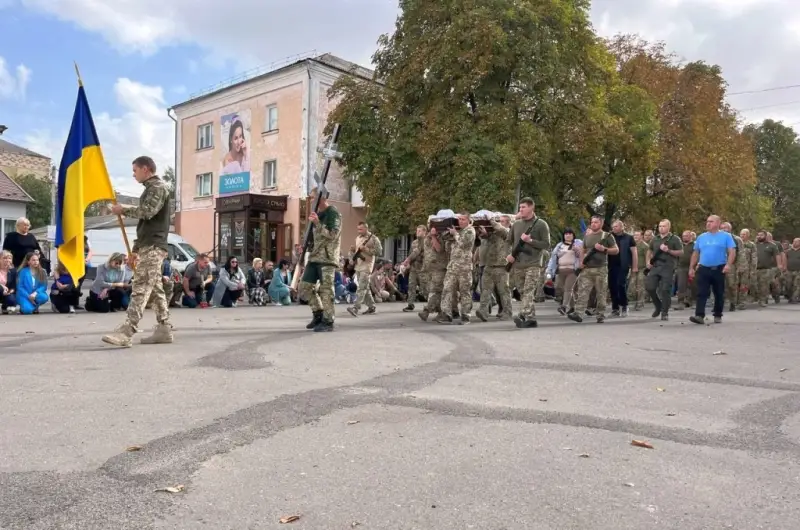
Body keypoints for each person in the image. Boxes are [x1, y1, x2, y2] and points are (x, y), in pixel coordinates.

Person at [101, 156, 173, 347]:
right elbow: (145, 225)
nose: (133, 175)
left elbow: (147, 212)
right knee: (155, 288)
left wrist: (121, 209)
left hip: (154, 246)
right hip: (147, 245)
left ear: (146, 169)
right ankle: (164, 328)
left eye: (135, 170)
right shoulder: (150, 189)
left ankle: (128, 331)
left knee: (140, 287)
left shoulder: (158, 187)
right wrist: (135, 251)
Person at [298, 187, 341, 332]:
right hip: (315, 256)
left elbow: (333, 234)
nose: (310, 200)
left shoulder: (332, 213)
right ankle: (318, 314)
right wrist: (304, 247)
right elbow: (313, 237)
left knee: (327, 290)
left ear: (322, 198)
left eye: (313, 197)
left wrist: (318, 223)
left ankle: (328, 321)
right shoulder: (317, 214)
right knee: (304, 287)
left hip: (327, 258)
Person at [507, 197, 551, 328]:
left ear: (532, 208)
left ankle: (522, 314)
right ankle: (531, 319)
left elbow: (546, 244)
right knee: (522, 291)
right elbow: (508, 242)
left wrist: (530, 241)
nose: (521, 210)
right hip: (518, 264)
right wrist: (508, 255)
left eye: (523, 207)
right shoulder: (516, 224)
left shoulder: (541, 224)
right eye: (520, 207)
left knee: (528, 290)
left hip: (534, 263)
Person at [688, 215, 735, 324]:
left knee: (719, 292)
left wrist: (728, 265)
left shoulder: (726, 236)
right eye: (707, 221)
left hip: (719, 268)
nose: (708, 223)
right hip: (704, 268)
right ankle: (699, 315)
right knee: (701, 292)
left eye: (711, 221)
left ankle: (718, 314)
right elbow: (696, 253)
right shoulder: (701, 237)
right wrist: (691, 267)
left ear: (718, 223)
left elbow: (732, 251)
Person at [645, 219, 683, 320]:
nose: (661, 228)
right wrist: (648, 262)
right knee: (650, 287)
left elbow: (680, 252)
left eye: (664, 226)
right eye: (660, 226)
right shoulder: (655, 238)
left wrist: (669, 250)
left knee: (665, 290)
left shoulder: (675, 239)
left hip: (668, 267)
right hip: (656, 266)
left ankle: (664, 312)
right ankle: (658, 306)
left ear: (668, 227)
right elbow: (649, 250)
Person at [347, 221, 382, 317]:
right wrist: (351, 256)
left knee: (361, 288)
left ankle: (355, 308)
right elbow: (356, 251)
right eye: (358, 229)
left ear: (366, 228)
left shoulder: (374, 239)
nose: (359, 231)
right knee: (365, 288)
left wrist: (366, 249)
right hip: (358, 266)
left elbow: (379, 252)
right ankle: (371, 307)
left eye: (361, 229)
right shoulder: (358, 238)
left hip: (367, 266)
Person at [607, 220, 637, 317]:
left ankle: (624, 305)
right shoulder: (609, 237)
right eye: (613, 227)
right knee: (612, 286)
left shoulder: (629, 238)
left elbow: (634, 253)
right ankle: (615, 308)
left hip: (623, 265)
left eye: (616, 226)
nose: (614, 228)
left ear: (621, 227)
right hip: (611, 265)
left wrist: (634, 266)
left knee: (620, 284)